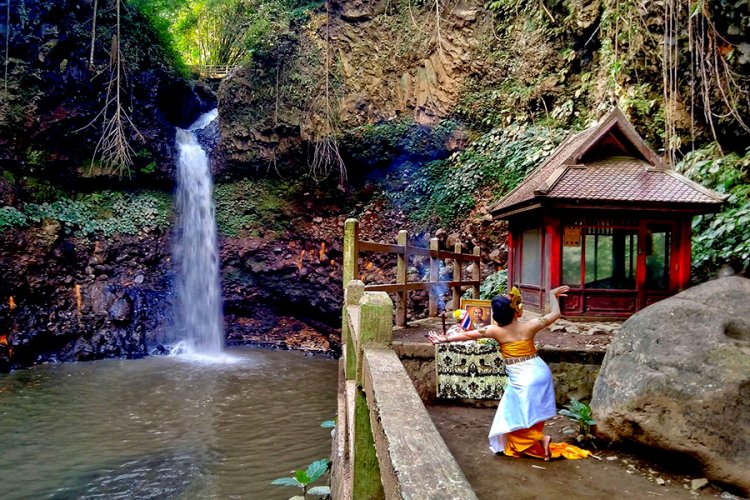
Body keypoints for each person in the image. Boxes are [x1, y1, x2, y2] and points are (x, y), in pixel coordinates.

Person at [428, 285, 572, 461]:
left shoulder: (495, 331)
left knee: (510, 417)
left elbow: (468, 336)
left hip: (523, 379)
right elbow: (555, 315)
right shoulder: (531, 325)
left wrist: (444, 339)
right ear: (515, 312)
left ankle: (540, 439)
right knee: (528, 414)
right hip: (541, 373)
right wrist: (552, 295)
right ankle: (537, 443)